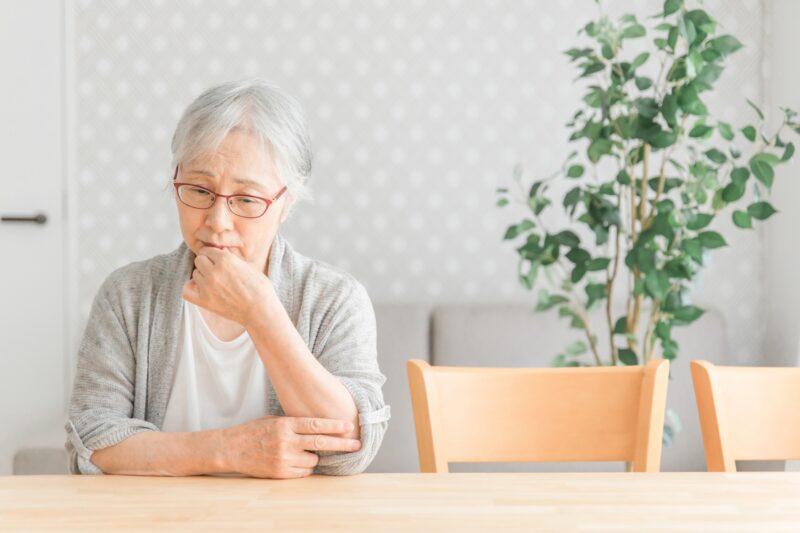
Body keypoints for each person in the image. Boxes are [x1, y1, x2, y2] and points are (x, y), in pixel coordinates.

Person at [65, 78, 390, 478]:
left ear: (285, 202)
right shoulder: (128, 295)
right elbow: (91, 440)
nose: (217, 223)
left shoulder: (335, 299)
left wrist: (261, 314)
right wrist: (226, 450)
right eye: (200, 190)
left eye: (247, 200)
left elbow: (350, 450)